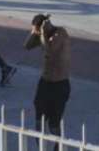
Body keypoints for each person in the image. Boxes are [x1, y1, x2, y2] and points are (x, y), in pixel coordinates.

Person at [24, 14, 71, 147]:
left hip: (59, 85)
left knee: (53, 124)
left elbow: (49, 52)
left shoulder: (60, 33)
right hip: (45, 83)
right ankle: (40, 147)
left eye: (39, 30)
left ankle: (58, 147)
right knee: (39, 119)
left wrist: (43, 34)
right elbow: (26, 46)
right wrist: (34, 32)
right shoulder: (43, 36)